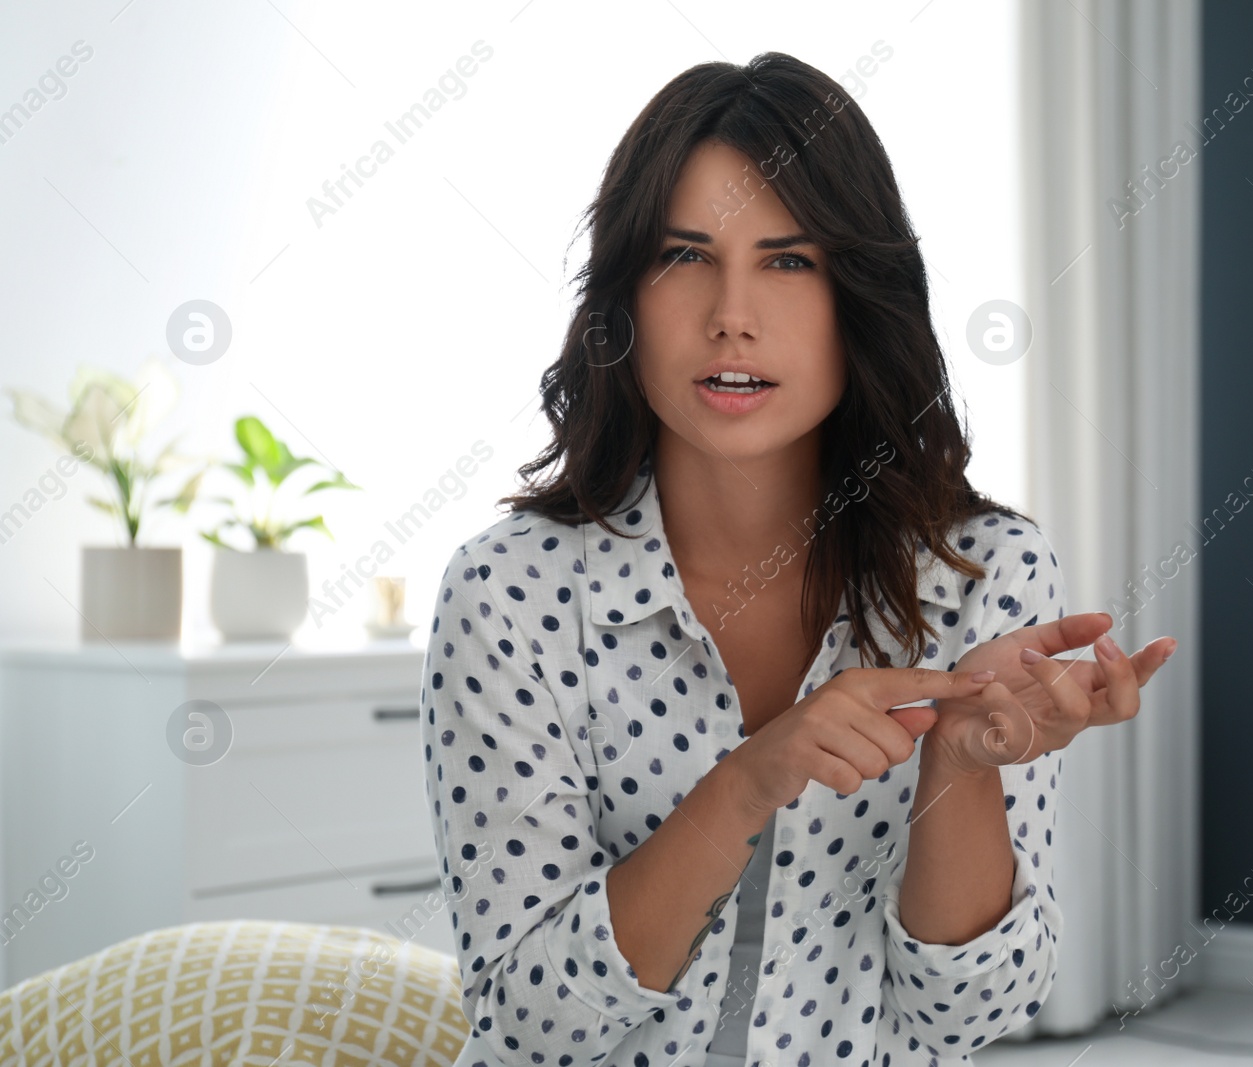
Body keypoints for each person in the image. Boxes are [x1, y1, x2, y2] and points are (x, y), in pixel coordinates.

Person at [422, 50, 1176, 1067]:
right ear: (623, 299)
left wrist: (960, 761)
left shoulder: (984, 575)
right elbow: (532, 1019)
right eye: (684, 255)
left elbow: (969, 1016)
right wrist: (748, 780)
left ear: (855, 298)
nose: (732, 313)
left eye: (788, 260)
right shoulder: (507, 592)